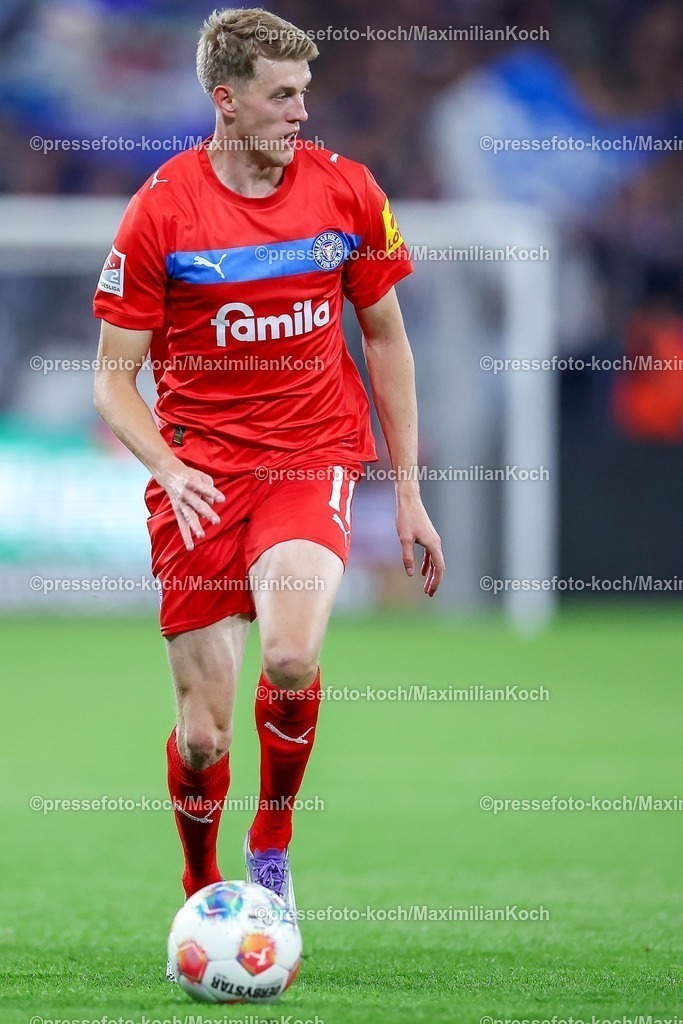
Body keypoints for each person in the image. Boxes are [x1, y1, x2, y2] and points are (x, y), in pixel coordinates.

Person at [92, 6, 444, 977]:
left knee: (289, 657)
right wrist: (166, 466)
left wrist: (407, 492)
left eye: (305, 93)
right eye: (281, 95)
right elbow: (112, 377)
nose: (301, 111)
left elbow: (384, 340)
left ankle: (272, 850)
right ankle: (201, 887)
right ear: (226, 98)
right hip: (201, 476)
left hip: (309, 458)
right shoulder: (161, 210)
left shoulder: (346, 193)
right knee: (202, 735)